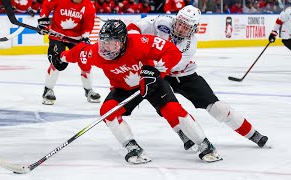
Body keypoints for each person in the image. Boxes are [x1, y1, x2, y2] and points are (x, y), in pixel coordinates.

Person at [49, 19, 223, 164]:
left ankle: (205, 145)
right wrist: (60, 58)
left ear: (124, 41)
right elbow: (77, 52)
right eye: (104, 42)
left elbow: (173, 52)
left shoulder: (141, 42)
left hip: (151, 83)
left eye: (112, 43)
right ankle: (132, 147)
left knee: (173, 110)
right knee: (107, 112)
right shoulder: (95, 53)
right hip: (123, 89)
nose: (106, 49)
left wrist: (157, 72)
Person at [127, 5, 269, 150]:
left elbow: (168, 65)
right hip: (159, 74)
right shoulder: (161, 22)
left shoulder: (190, 45)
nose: (181, 29)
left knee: (218, 107)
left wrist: (147, 63)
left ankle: (253, 134)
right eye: (180, 23)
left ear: (194, 29)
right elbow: (134, 27)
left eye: (186, 27)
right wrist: (134, 44)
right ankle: (184, 134)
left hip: (183, 75)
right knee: (167, 107)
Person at [38, 0, 101, 105]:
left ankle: (89, 90)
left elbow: (88, 23)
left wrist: (85, 36)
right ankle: (47, 90)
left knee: (85, 60)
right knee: (58, 63)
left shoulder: (88, 5)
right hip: (57, 35)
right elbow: (47, 4)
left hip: (75, 38)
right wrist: (43, 20)